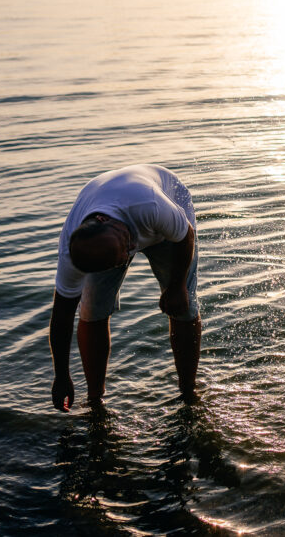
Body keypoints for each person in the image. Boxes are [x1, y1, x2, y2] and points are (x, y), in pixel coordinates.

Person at [49, 164, 202, 411]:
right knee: (91, 313)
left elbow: (186, 236)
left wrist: (176, 287)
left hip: (168, 215)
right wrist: (62, 376)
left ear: (113, 225)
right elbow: (62, 316)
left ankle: (188, 392)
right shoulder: (74, 253)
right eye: (120, 258)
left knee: (182, 305)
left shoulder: (150, 206)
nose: (129, 253)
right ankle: (95, 400)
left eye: (126, 247)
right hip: (106, 241)